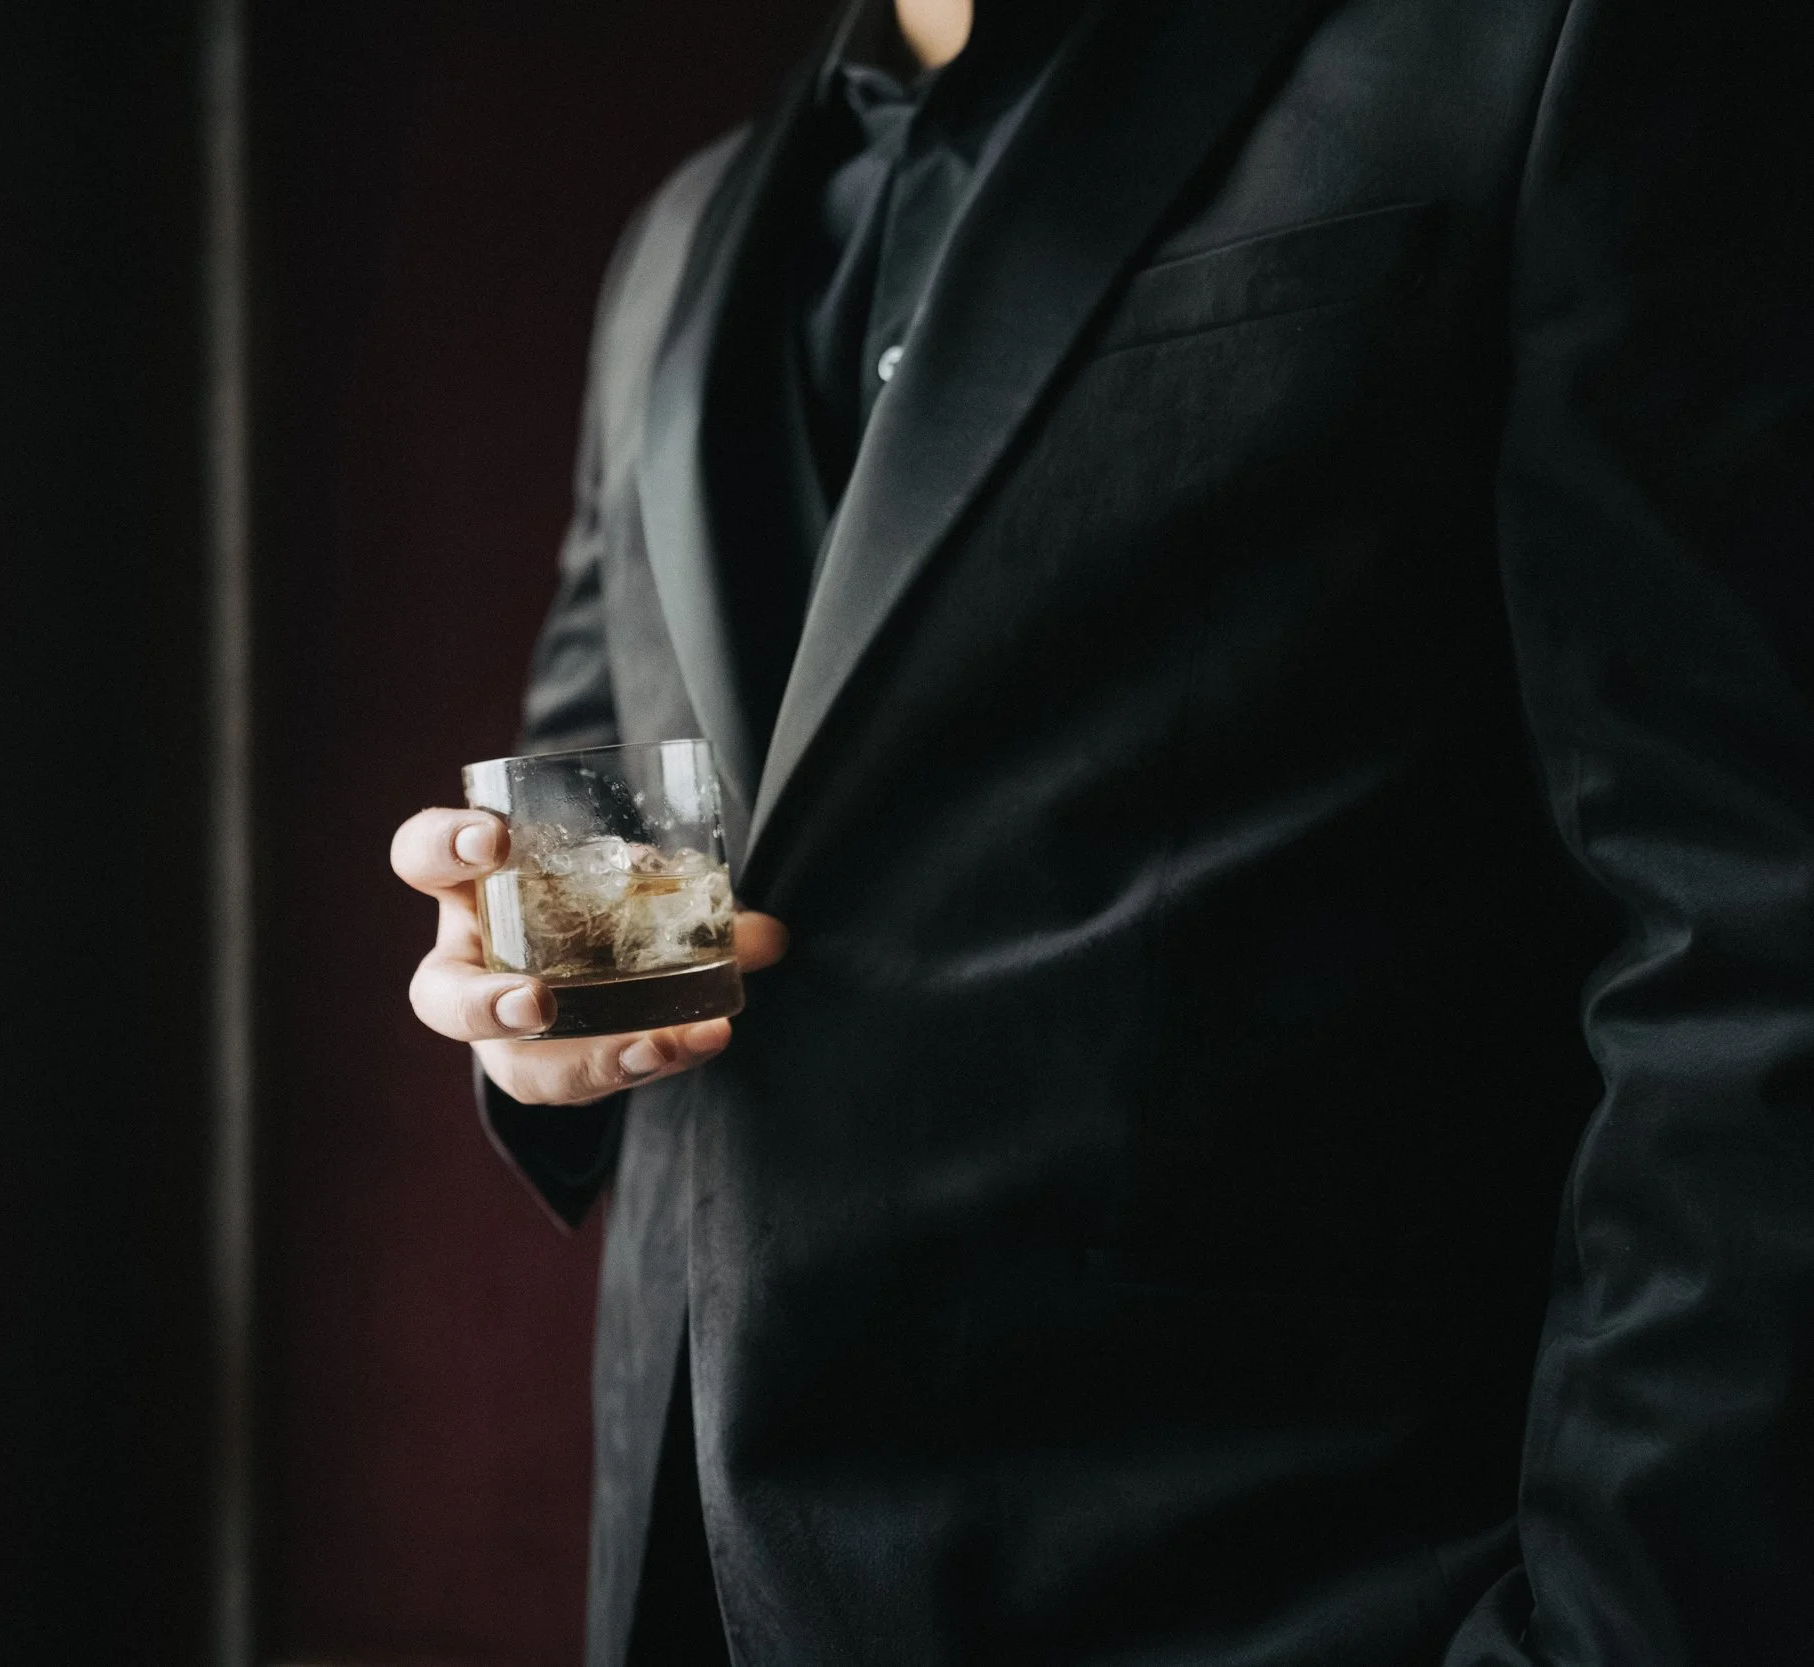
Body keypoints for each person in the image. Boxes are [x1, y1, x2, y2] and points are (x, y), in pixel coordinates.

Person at [392, 0, 1814, 1659]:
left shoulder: (1540, 49)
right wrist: (528, 1016)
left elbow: (1745, 932)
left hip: (1303, 1596)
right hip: (695, 1599)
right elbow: (614, 841)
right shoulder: (677, 240)